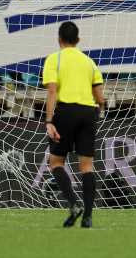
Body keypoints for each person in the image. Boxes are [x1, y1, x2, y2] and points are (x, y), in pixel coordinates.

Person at [44, 21, 103, 229]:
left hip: (66, 111)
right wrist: (97, 114)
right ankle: (87, 217)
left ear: (59, 39)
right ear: (78, 40)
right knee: (87, 167)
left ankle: (73, 204)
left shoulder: (54, 59)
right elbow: (100, 98)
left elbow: (52, 91)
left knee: (56, 163)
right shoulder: (89, 62)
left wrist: (49, 121)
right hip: (88, 112)